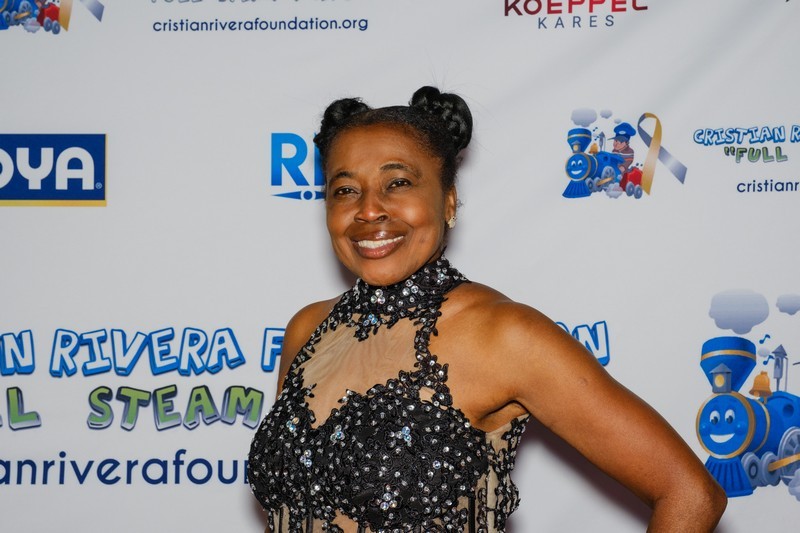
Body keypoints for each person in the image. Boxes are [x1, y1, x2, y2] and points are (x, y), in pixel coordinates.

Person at [248, 87, 727, 532]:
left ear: (448, 202)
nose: (369, 209)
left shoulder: (503, 334)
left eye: (398, 183)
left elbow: (689, 493)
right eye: (345, 190)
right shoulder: (306, 329)